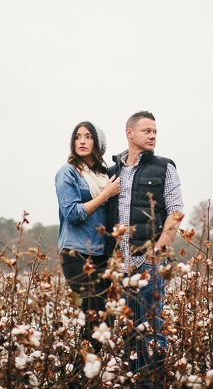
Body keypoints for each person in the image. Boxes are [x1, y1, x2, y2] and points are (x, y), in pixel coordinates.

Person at [106, 111, 184, 387]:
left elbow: (175, 213)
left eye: (155, 132)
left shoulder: (165, 168)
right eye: (147, 131)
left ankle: (153, 384)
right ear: (130, 133)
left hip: (150, 262)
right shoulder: (112, 171)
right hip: (122, 264)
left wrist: (156, 252)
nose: (152, 136)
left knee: (152, 329)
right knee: (128, 332)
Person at [55, 121, 121, 350]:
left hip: (101, 255)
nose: (81, 141)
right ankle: (81, 375)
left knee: (106, 315)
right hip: (76, 254)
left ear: (98, 143)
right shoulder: (68, 172)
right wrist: (105, 195)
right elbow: (72, 214)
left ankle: (79, 371)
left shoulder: (104, 176)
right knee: (96, 308)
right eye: (77, 137)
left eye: (88, 136)